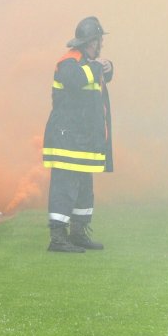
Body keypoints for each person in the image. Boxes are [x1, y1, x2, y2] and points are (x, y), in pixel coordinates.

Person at [42, 16, 114, 252]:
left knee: (84, 187)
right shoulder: (70, 62)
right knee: (65, 187)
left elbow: (96, 80)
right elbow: (75, 80)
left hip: (82, 139)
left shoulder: (86, 61)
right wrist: (97, 66)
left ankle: (78, 232)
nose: (101, 44)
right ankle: (58, 238)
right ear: (92, 41)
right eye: (99, 40)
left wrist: (108, 68)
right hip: (67, 138)